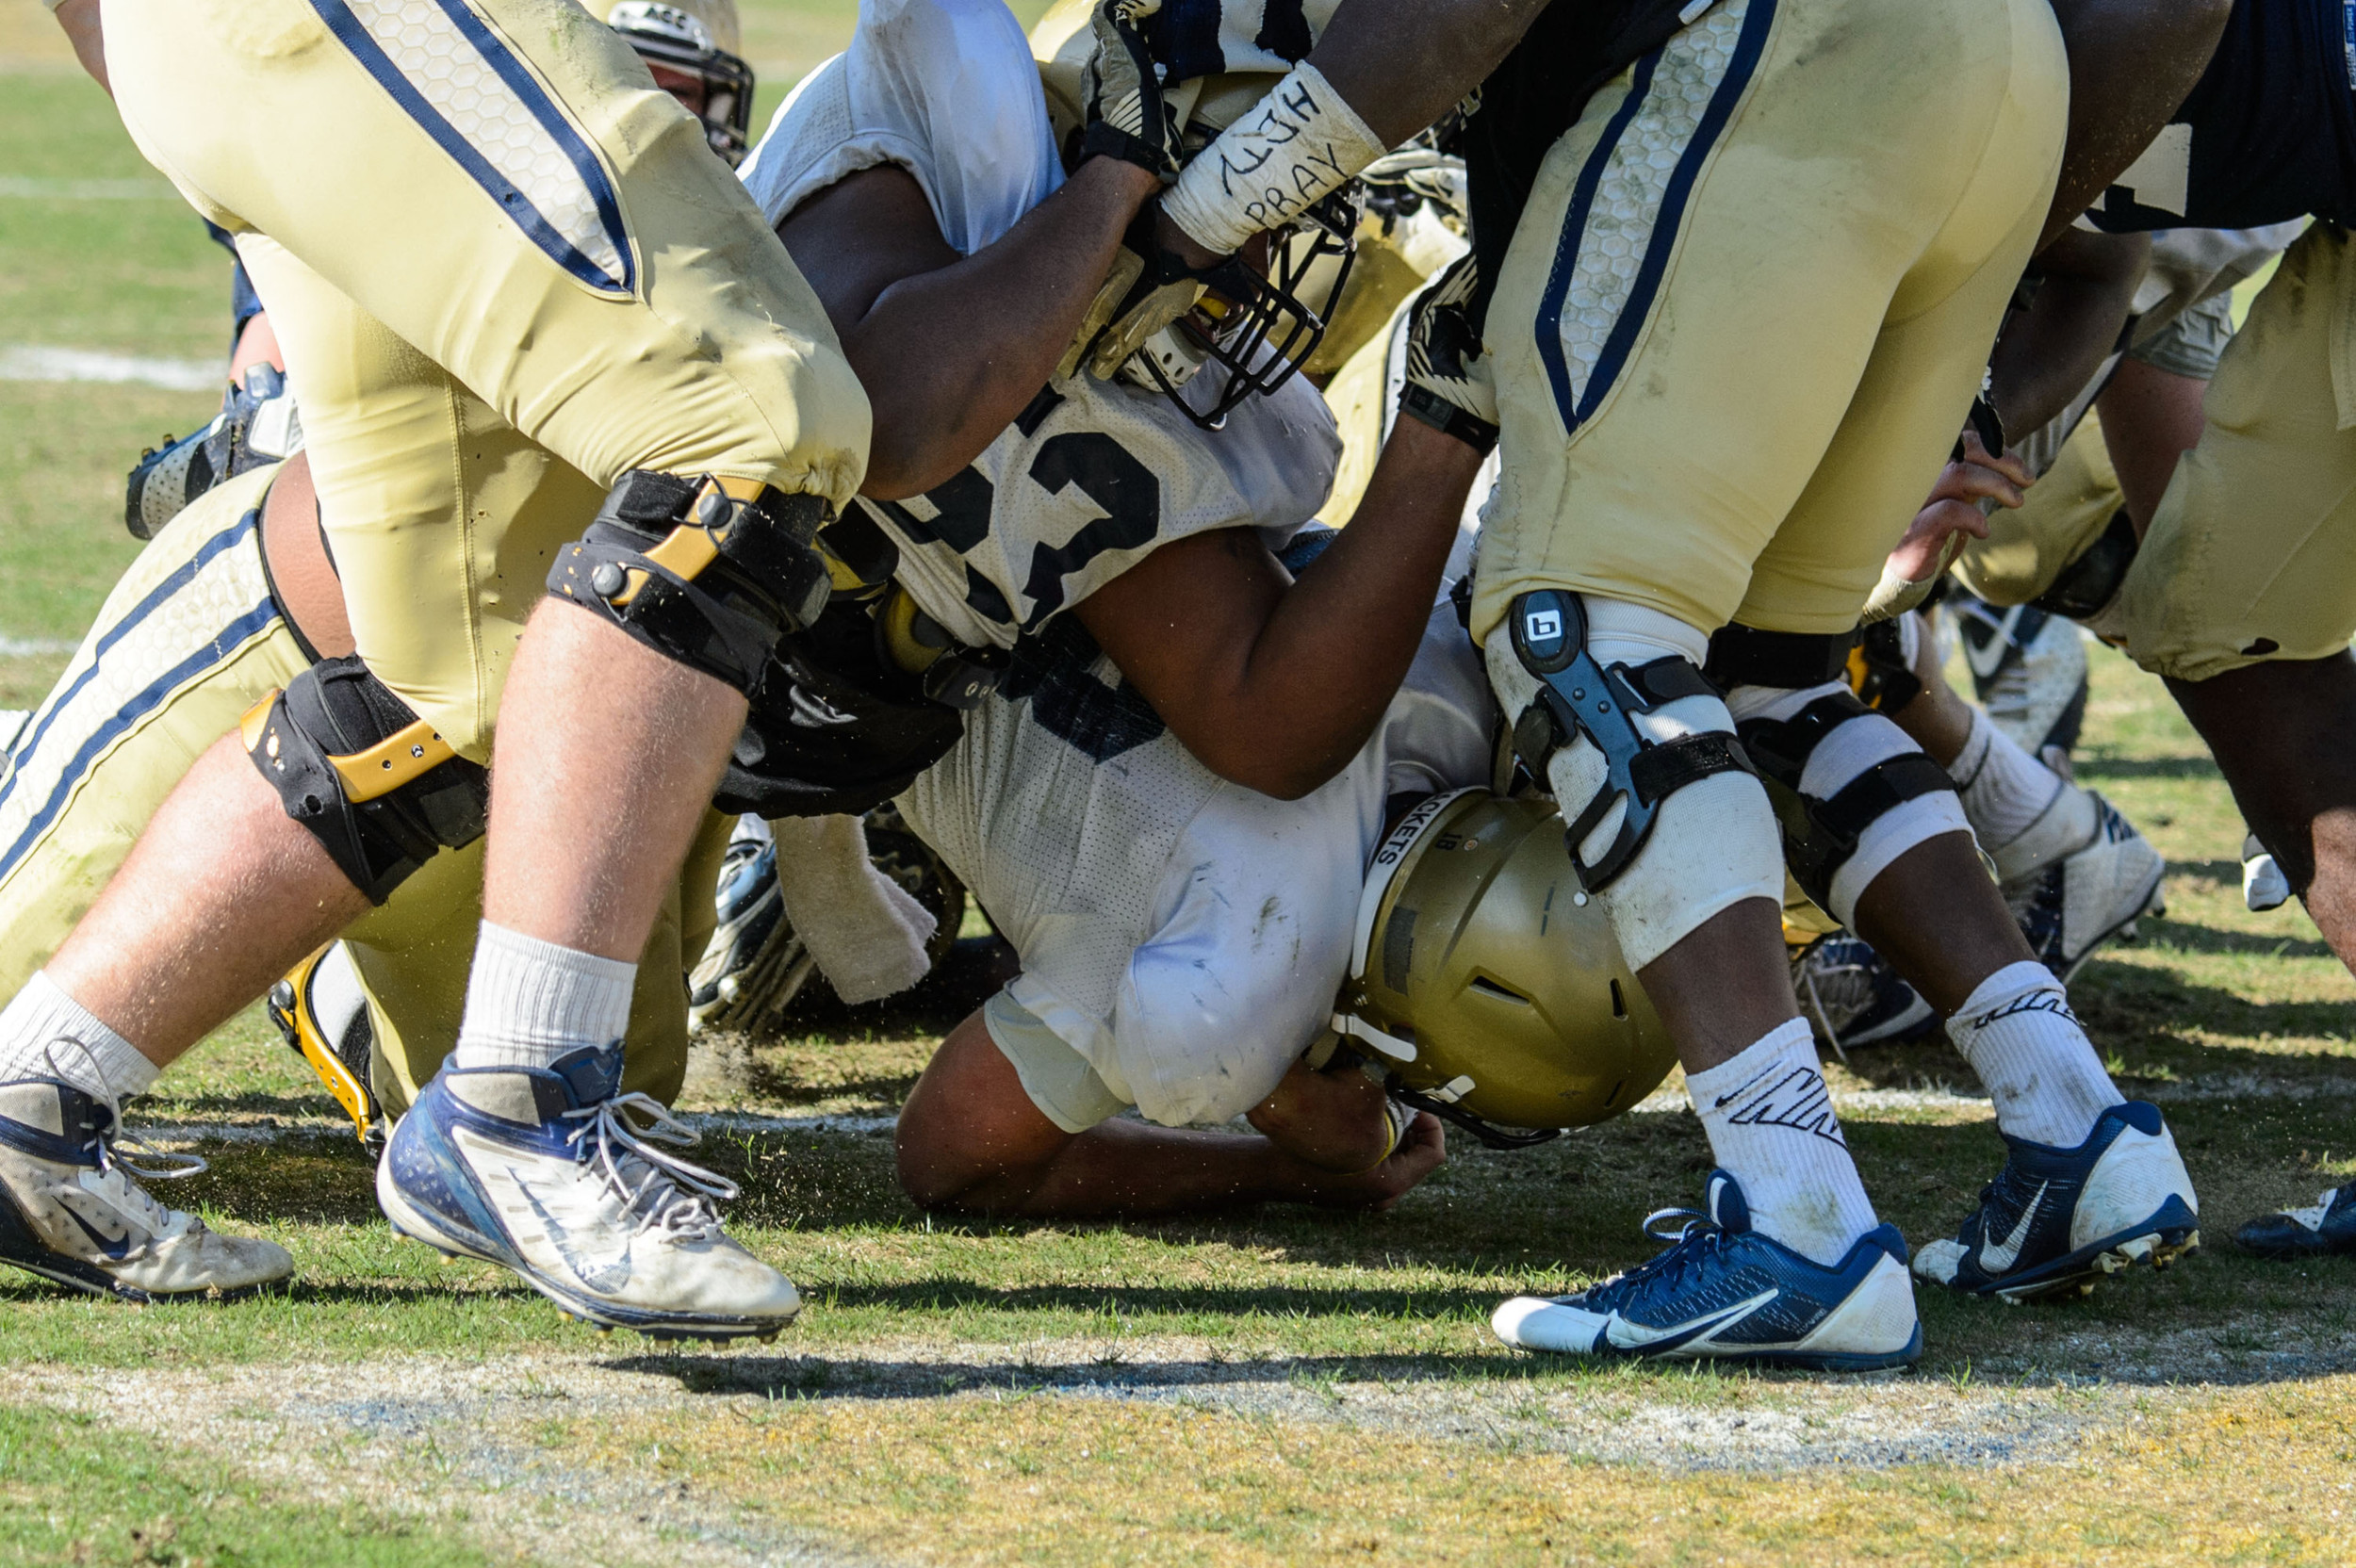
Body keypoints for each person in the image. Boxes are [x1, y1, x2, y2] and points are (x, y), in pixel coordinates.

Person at [1054, 0, 2226, 1365]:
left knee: (1576, 626)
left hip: (1760, 66)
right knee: (1768, 665)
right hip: (1996, 77)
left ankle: (1798, 1221)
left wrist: (1203, 214)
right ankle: (2071, 1118)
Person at [0, 0, 765, 1302]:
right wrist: (271, 365)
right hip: (298, 649)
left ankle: (352, 994)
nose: (645, 122)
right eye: (626, 75)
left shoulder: (718, 289)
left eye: (678, 94)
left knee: (611, 1085)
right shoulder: (400, 144)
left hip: (516, 767)